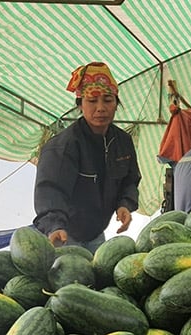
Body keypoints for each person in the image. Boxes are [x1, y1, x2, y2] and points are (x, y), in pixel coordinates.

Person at [33, 62, 140, 253]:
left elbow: (129, 180)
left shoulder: (122, 141)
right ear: (81, 105)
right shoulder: (64, 146)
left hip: (96, 234)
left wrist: (124, 204)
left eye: (108, 100)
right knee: (73, 279)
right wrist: (55, 226)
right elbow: (50, 191)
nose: (100, 108)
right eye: (92, 101)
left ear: (116, 104)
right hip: (64, 234)